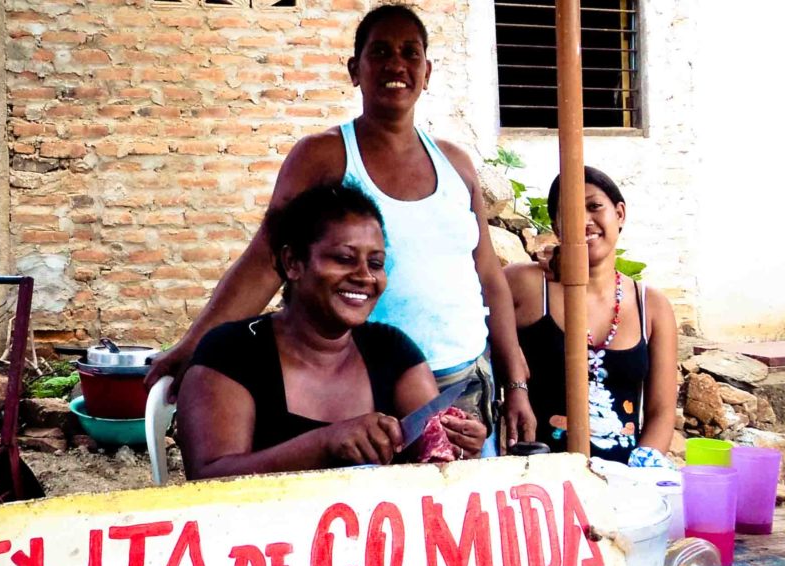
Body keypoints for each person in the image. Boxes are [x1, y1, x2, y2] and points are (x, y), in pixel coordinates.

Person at [147, 3, 535, 454]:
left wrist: (516, 383)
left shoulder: (457, 164)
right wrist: (194, 343)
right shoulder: (323, 157)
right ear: (355, 69)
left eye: (410, 53)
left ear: (427, 72)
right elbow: (265, 260)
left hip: (462, 389)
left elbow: (489, 277)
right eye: (380, 52)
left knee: (456, 512)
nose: (396, 64)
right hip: (370, 390)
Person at [177, 184, 487, 480]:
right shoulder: (233, 353)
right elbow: (208, 479)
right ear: (293, 262)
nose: (365, 276)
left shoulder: (392, 351)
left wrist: (456, 446)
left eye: (376, 263)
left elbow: (431, 457)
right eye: (343, 259)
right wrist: (323, 445)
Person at [504, 167, 678, 464]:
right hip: (539, 486)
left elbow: (661, 412)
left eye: (594, 206)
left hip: (622, 482)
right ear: (557, 227)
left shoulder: (652, 306)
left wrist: (640, 470)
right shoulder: (527, 285)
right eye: (569, 211)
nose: (584, 220)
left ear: (620, 214)